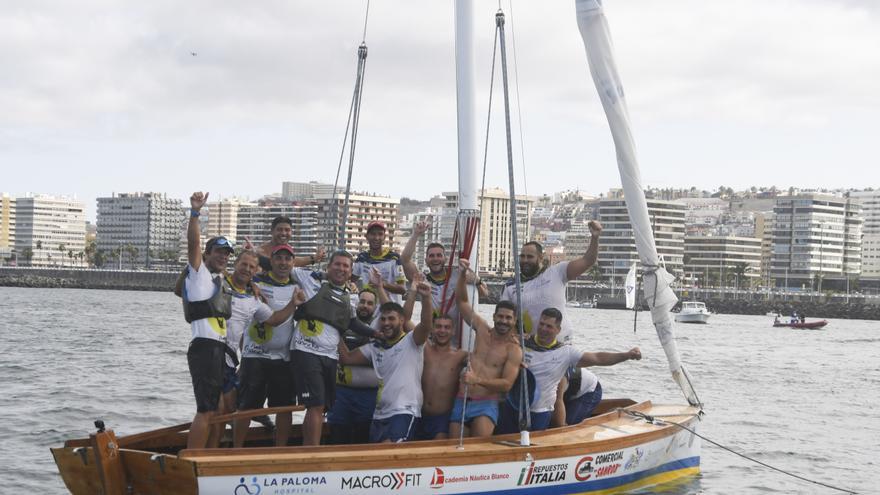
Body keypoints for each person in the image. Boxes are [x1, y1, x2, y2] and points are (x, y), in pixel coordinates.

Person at [181, 191, 301, 449]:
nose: (246, 268)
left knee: (225, 411)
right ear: (234, 265)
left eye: (251, 266)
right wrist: (195, 213)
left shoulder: (250, 296)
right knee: (207, 410)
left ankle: (212, 455)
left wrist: (294, 304)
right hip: (207, 349)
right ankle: (192, 459)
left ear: (256, 271)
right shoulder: (205, 276)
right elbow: (193, 245)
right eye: (242, 263)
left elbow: (275, 319)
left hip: (227, 356)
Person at [496, 307, 640, 434]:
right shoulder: (521, 343)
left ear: (558, 330)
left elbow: (598, 358)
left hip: (542, 410)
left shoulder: (566, 352)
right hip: (516, 404)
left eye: (549, 326)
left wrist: (626, 355)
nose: (543, 329)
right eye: (541, 324)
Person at [288, 250, 380, 445]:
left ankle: (307, 448)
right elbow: (286, 264)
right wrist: (312, 258)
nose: (341, 269)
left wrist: (375, 334)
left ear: (350, 271)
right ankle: (312, 454)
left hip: (329, 356)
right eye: (337, 264)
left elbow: (354, 323)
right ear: (328, 267)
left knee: (319, 407)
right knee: (317, 404)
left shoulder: (350, 297)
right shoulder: (311, 280)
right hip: (306, 351)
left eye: (346, 266)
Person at [338, 281, 435, 443]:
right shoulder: (375, 347)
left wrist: (426, 298)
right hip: (379, 414)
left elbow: (426, 325)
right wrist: (335, 329)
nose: (386, 323)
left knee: (389, 450)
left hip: (404, 411)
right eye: (383, 319)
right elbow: (346, 358)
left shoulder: (412, 341)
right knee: (375, 458)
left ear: (402, 321)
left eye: (391, 319)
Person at [233, 244, 305, 447]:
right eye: (279, 258)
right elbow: (236, 280)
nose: (283, 263)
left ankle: (279, 451)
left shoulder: (297, 286)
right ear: (270, 261)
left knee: (284, 408)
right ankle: (235, 450)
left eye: (287, 259)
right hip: (254, 355)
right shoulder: (255, 281)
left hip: (283, 359)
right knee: (246, 407)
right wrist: (251, 285)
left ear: (292, 262)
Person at [449, 258, 523, 439]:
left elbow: (506, 384)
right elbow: (461, 302)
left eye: (508, 318)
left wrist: (476, 380)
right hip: (462, 399)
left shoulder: (513, 350)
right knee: (452, 448)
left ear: (514, 321)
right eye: (501, 317)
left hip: (486, 403)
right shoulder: (482, 329)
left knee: (479, 447)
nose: (503, 321)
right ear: (494, 316)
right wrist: (461, 275)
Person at [500, 220, 602, 343]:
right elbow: (503, 320)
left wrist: (595, 237)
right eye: (522, 256)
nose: (525, 260)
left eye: (530, 257)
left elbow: (588, 261)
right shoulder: (510, 286)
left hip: (562, 344)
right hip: (531, 347)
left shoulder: (557, 272)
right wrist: (515, 336)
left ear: (541, 258)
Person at [400, 221, 488, 345]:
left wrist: (477, 281)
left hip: (457, 340)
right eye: (431, 256)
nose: (435, 259)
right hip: (431, 341)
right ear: (426, 260)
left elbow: (484, 294)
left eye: (439, 255)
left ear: (445, 258)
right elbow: (404, 259)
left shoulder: (458, 274)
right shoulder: (422, 280)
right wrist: (416, 235)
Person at [326, 288, 381, 445]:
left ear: (375, 307)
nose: (365, 306)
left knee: (364, 435)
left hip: (368, 395)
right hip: (340, 392)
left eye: (370, 303)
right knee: (337, 432)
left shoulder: (381, 328)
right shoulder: (342, 324)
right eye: (362, 301)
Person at [419, 313, 467, 440]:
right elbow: (406, 322)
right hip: (418, 414)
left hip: (442, 419)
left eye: (447, 327)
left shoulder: (460, 355)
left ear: (453, 331)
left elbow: (484, 358)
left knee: (437, 454)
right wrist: (415, 293)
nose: (442, 331)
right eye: (438, 326)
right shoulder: (424, 349)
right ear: (432, 329)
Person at [352, 221, 406, 303]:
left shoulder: (394, 258)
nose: (376, 238)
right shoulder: (362, 258)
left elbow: (402, 289)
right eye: (373, 234)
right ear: (366, 236)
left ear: (384, 237)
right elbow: (350, 279)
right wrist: (352, 286)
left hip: (390, 311)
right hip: (369, 311)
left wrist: (381, 284)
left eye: (380, 234)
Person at [255, 216, 325, 273]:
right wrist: (314, 258)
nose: (283, 233)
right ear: (272, 231)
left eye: (287, 230)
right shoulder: (261, 251)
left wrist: (315, 258)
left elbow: (295, 261)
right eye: (279, 229)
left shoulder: (288, 248)